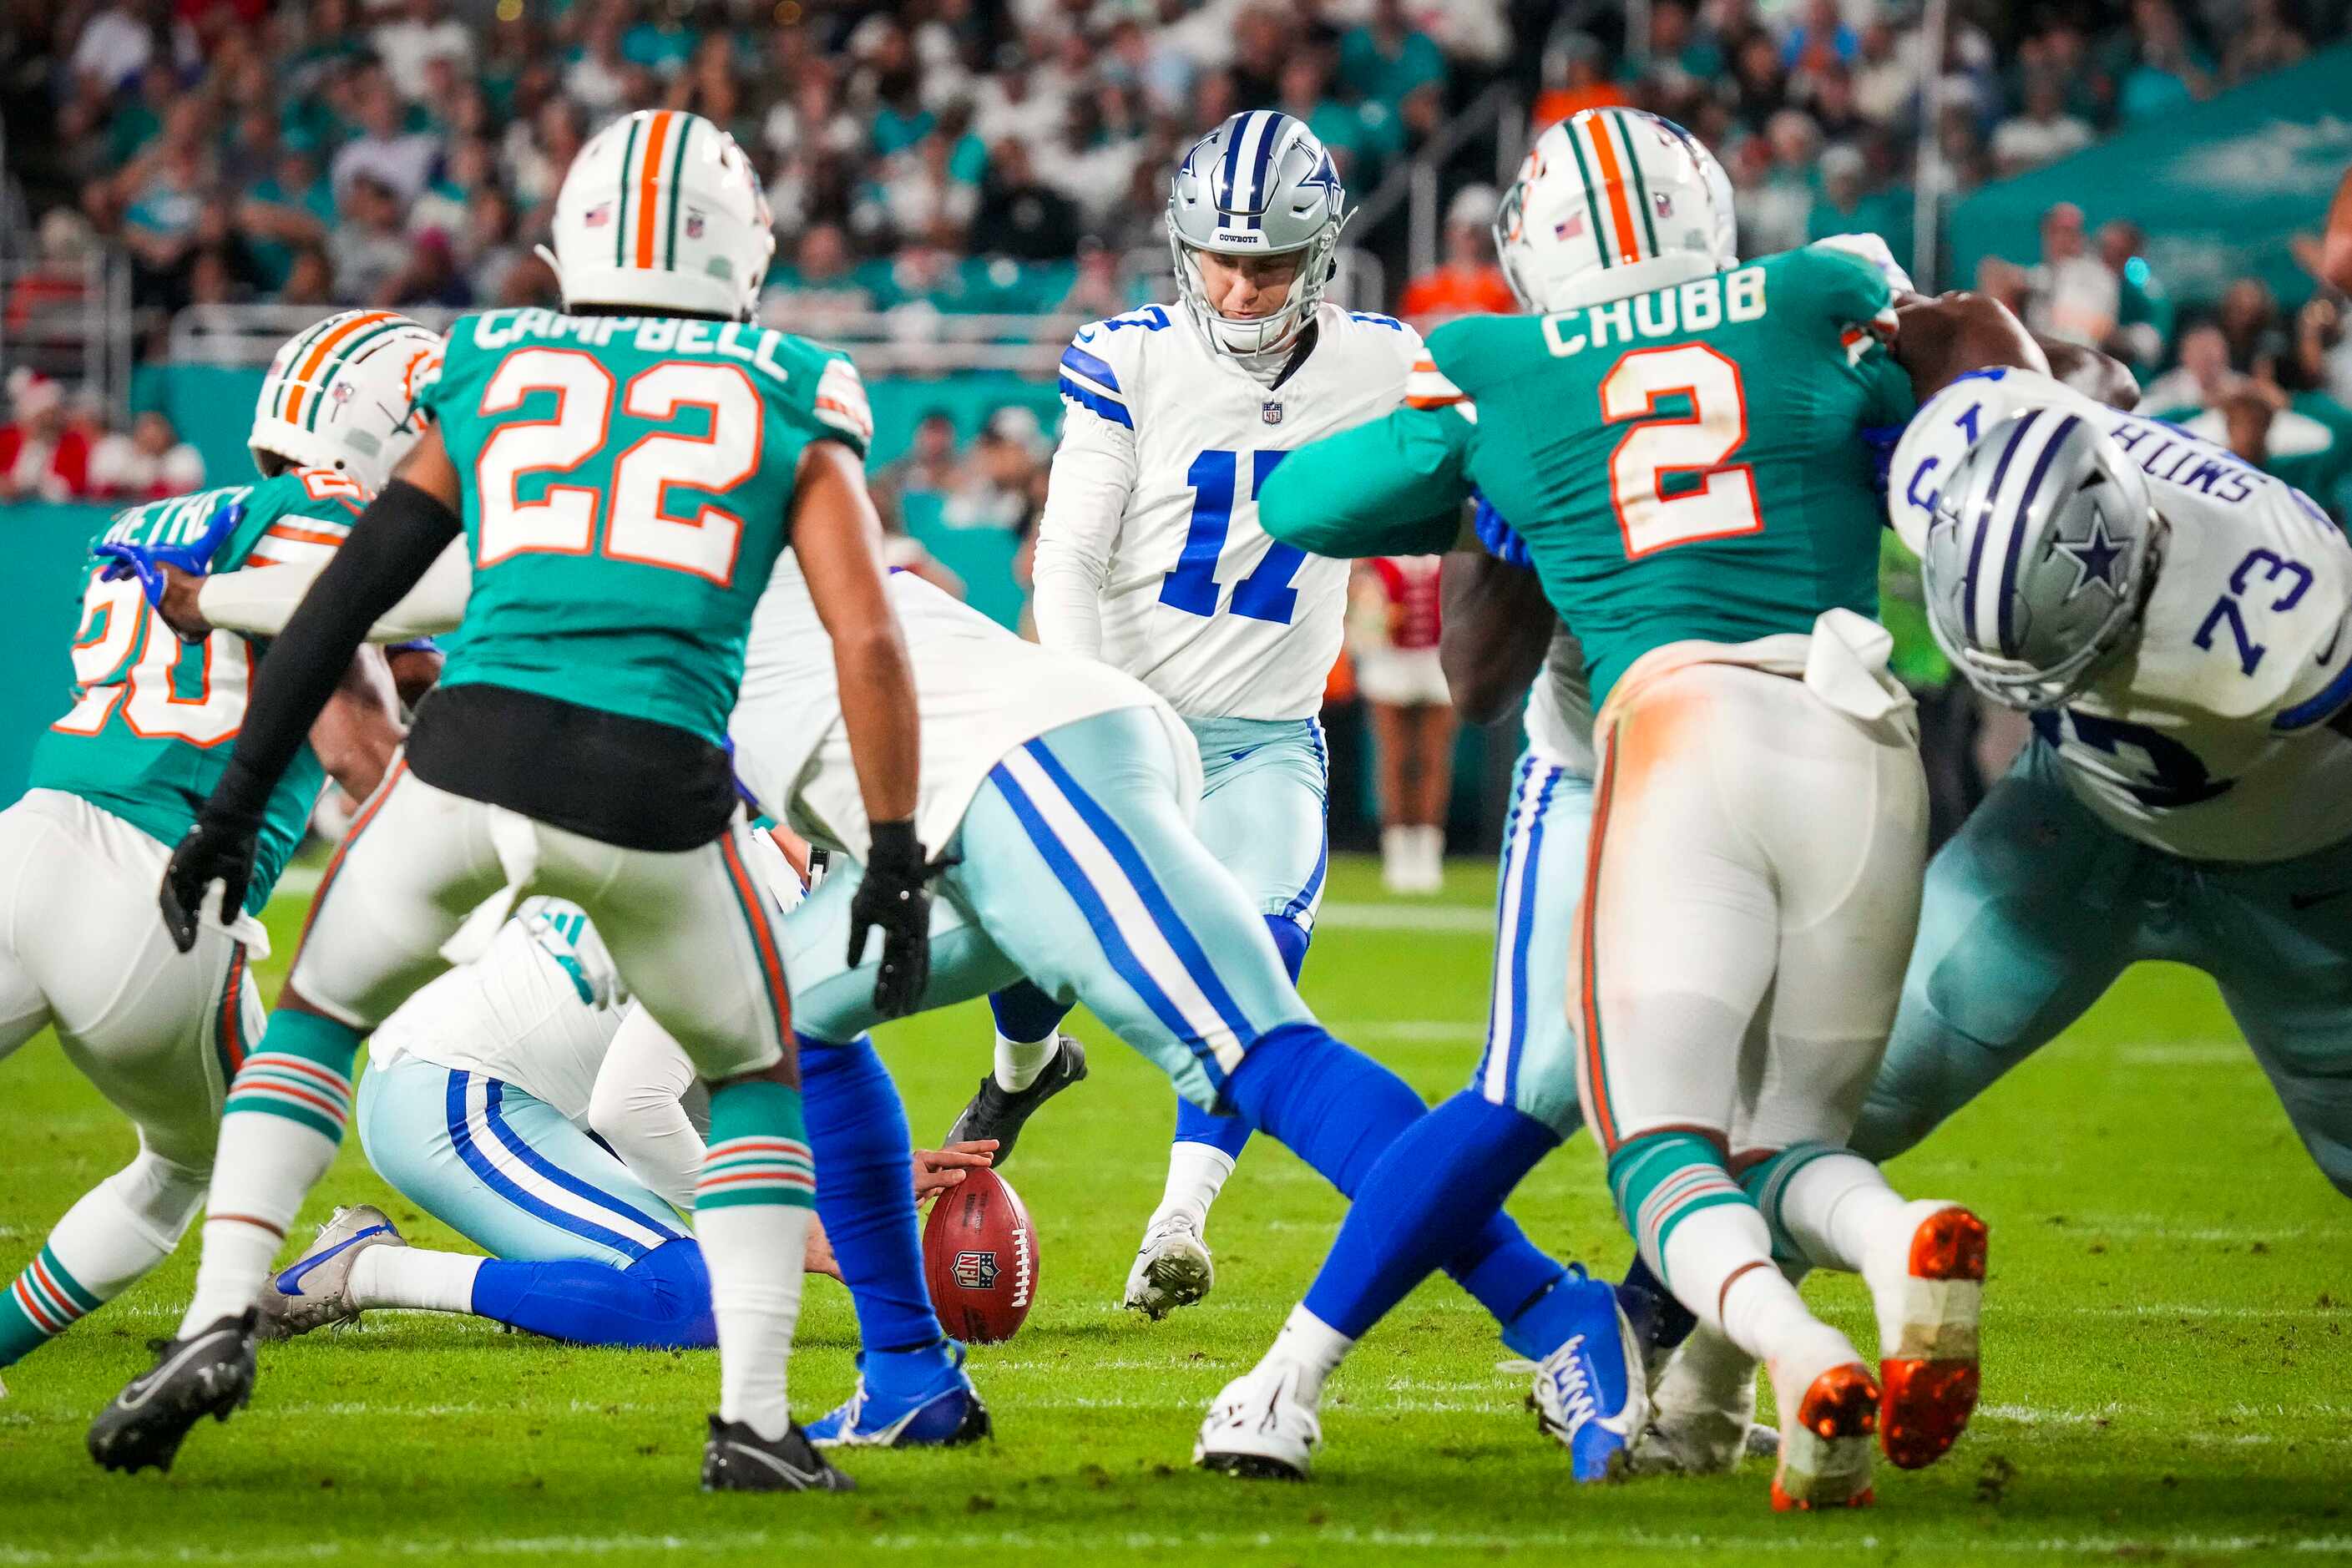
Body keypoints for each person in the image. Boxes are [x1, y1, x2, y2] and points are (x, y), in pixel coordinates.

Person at [154, 508, 1639, 1469]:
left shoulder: (628, 540)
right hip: (948, 815)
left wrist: (212, 592)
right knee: (782, 1024)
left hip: (1021, 767)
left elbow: (387, 582)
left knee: (1253, 1052)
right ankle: (908, 1373)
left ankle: (1560, 1316)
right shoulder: (748, 495)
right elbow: (410, 592)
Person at [85, 109, 929, 1496]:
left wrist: (237, 798)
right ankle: (758, 1417)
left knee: (315, 1013)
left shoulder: (494, 358)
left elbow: (350, 594)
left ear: (573, 241)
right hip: (655, 779)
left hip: (462, 758)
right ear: (744, 251)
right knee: (757, 1075)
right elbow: (868, 636)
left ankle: (218, 1312)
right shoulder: (791, 384)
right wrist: (890, 850)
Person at [1241, 107, 2031, 1509]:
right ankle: (1353, 1365)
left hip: (1652, 739)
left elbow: (1314, 505)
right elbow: (2033, 405)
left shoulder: (1497, 360)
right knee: (1631, 1101)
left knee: (1648, 1118)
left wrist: (1471, 466)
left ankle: (1661, 1370)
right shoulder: (1817, 301)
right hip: (1814, 730)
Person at [954, 110, 1425, 1321]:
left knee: (1259, 958)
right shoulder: (1132, 357)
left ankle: (1179, 1218)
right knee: (1028, 931)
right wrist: (1090, 709)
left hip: (1262, 734)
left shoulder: (1384, 361)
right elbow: (1065, 558)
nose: (1237, 282)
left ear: (1319, 253)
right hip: (1118, 705)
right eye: (1218, 256)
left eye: (1267, 261)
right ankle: (1023, 1066)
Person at [0, 311, 431, 1389]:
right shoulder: (331, 516)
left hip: (32, 834)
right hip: (161, 887)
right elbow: (356, 740)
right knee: (196, 1161)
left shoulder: (165, 517)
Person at [1858, 365, 2352, 1202]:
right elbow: (2001, 352)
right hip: (2073, 815)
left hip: (2301, 872)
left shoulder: (2287, 617)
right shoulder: (1960, 444)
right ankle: (1666, 1313)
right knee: (1853, 1088)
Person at [257, 876, 999, 1360]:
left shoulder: (752, 870)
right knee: (683, 1300)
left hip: (490, 1083)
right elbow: (633, 1106)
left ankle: (557, 1283)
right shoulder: (760, 910)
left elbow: (706, 1088)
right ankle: (368, 1268)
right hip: (455, 1096)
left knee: (680, 1279)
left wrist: (849, 1182)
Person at [1349, 554, 1454, 893]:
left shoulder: (1451, 552)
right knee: (1393, 759)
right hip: (1388, 661)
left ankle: (1427, 854)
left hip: (1438, 660)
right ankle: (1396, 854)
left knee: (1432, 759)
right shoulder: (1377, 556)